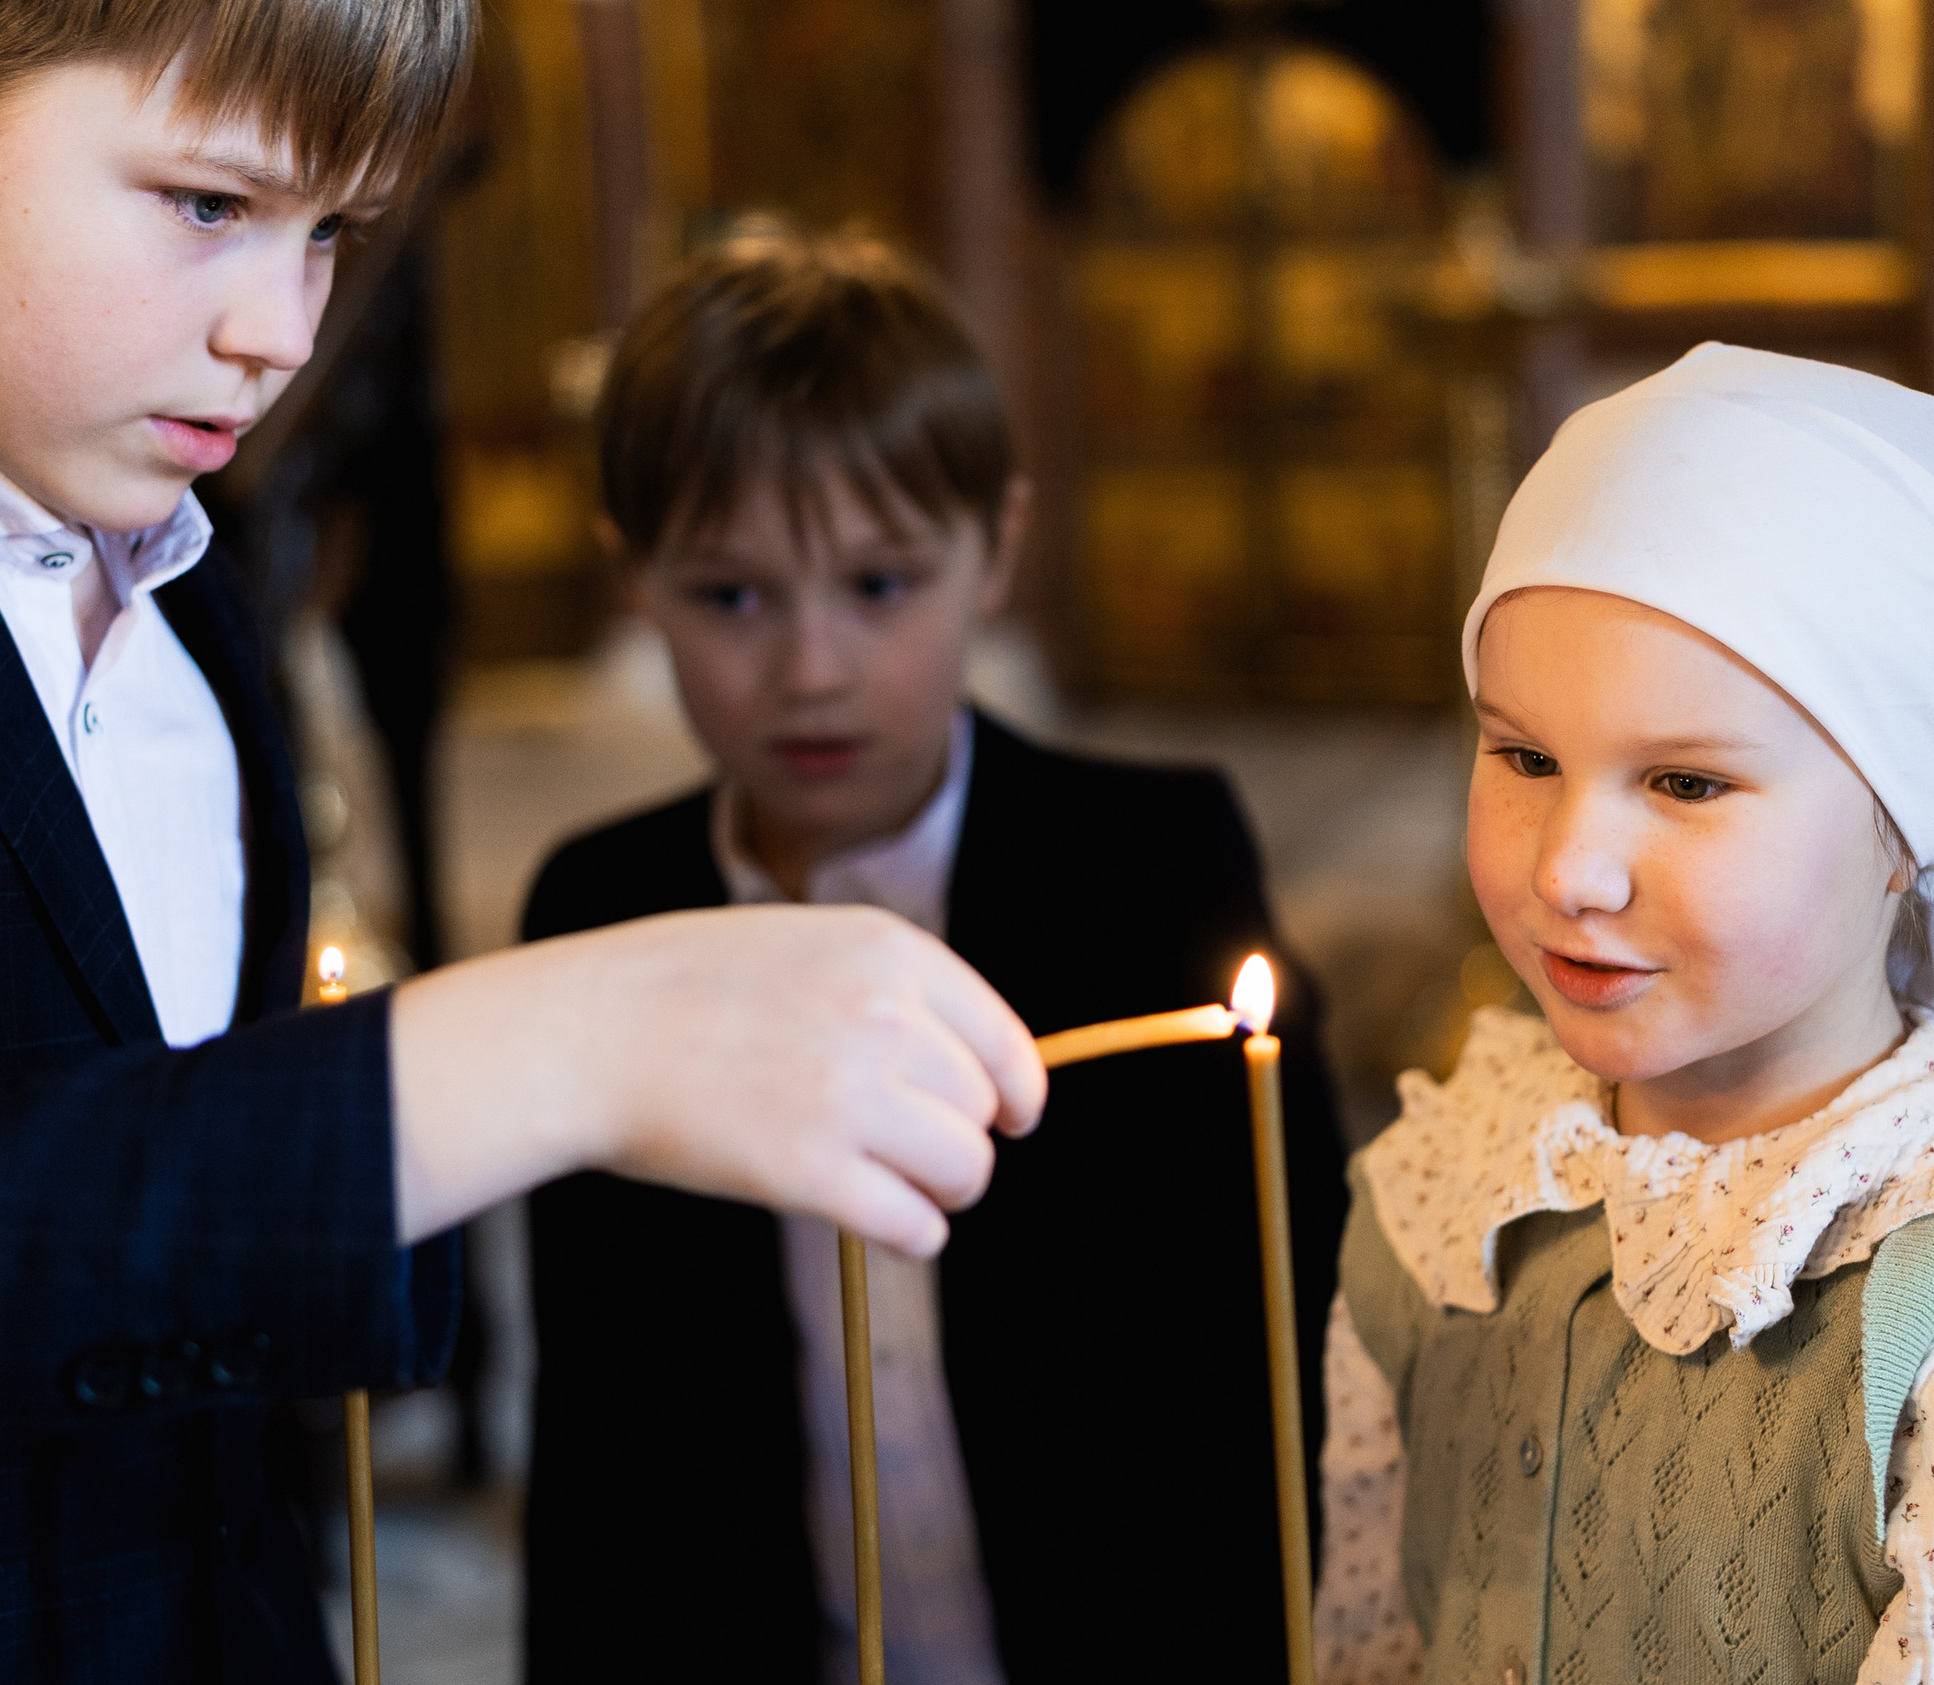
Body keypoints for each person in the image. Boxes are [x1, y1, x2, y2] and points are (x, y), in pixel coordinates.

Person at [0, 0, 1045, 1679]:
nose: (283, 331)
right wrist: (522, 1055)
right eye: (208, 205)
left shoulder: (191, 588)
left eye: (329, 230)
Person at [1313, 343, 1934, 1684]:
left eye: (1684, 783)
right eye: (1523, 755)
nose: (1570, 868)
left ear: (1903, 829)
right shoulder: (1451, 1195)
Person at [518, 228, 1349, 1685]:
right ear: (632, 580)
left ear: (997, 550)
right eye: (730, 597)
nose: (812, 668)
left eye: (881, 585)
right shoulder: (600, 913)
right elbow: (605, 1432)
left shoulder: (1154, 871)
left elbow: (1279, 1342)